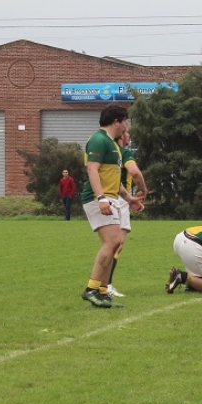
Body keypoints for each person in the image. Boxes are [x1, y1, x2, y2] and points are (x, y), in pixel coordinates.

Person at [79, 103, 135, 308]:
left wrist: (129, 199)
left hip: (110, 197)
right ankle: (92, 289)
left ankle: (101, 291)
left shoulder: (112, 144)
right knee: (112, 242)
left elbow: (112, 177)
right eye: (125, 121)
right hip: (98, 198)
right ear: (116, 121)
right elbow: (92, 171)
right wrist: (101, 197)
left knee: (116, 242)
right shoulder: (98, 140)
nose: (126, 126)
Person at [106, 131, 147, 299]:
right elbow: (135, 172)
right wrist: (144, 190)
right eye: (127, 133)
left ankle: (104, 284)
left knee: (115, 244)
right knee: (115, 244)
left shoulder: (111, 152)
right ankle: (104, 285)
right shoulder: (124, 152)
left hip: (113, 196)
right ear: (122, 136)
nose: (129, 136)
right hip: (119, 198)